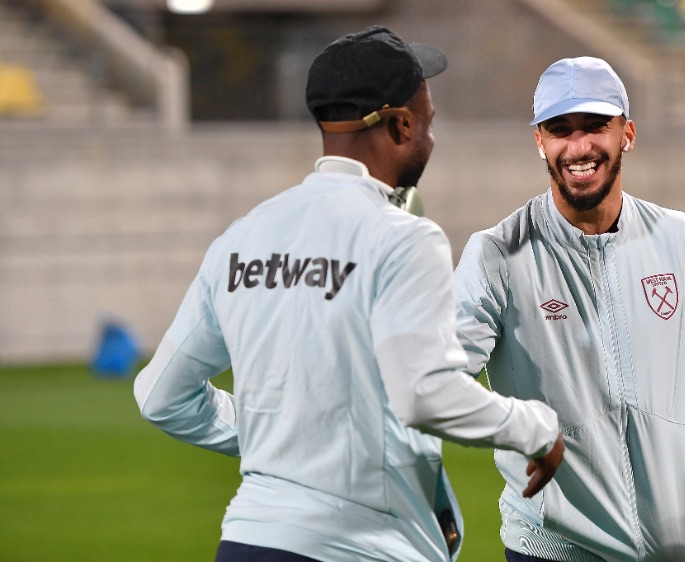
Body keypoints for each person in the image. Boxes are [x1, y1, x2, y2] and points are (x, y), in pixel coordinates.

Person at [133, 26, 564, 562]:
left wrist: (286, 434)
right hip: (364, 548)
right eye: (429, 121)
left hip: (248, 541)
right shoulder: (403, 237)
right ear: (402, 125)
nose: (431, 135)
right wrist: (536, 428)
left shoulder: (244, 236)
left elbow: (160, 395)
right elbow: (425, 394)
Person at [452, 56, 685, 562]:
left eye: (595, 127)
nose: (579, 146)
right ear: (539, 141)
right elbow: (438, 379)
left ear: (627, 133)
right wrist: (522, 430)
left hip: (678, 549)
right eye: (560, 129)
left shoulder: (679, 238)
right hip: (553, 549)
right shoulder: (498, 254)